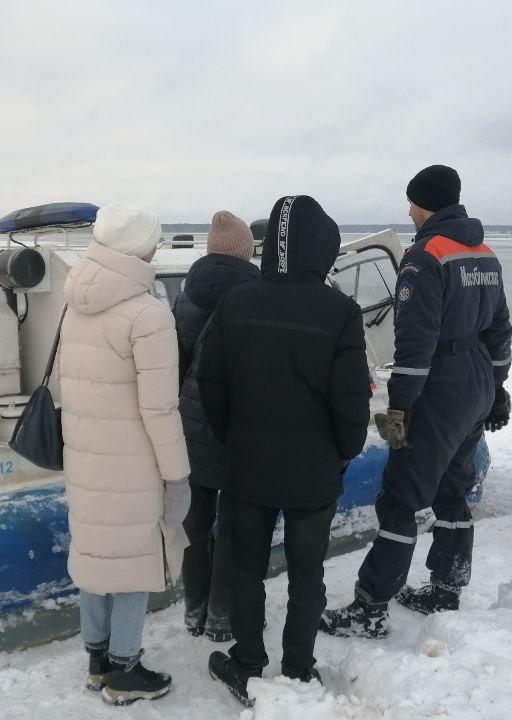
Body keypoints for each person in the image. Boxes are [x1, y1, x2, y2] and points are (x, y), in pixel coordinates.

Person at [321, 166, 512, 638]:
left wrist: (400, 405)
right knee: (452, 487)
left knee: (401, 498)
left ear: (426, 203)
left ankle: (371, 606)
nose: (409, 212)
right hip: (475, 386)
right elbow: (501, 331)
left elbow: (415, 344)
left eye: (412, 203)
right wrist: (498, 385)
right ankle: (447, 585)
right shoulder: (484, 254)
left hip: (440, 390)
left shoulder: (425, 256)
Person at [197, 195, 372, 706]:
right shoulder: (340, 311)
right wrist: (346, 449)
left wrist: (233, 436)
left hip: (248, 466)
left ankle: (248, 660)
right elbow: (350, 397)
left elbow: (212, 382)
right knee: (307, 571)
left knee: (246, 568)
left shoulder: (237, 302)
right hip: (313, 473)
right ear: (322, 248)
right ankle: (298, 667)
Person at [59, 201, 192, 705]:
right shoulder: (148, 314)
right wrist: (177, 476)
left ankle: (96, 661)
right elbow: (160, 410)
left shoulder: (75, 301)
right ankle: (124, 671)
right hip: (132, 466)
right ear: (139, 246)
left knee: (95, 555)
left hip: (87, 458)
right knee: (135, 559)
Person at [174, 211, 260, 641]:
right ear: (246, 251)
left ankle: (195, 609)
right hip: (238, 424)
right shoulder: (257, 295)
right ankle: (223, 616)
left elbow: (178, 363)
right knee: (233, 526)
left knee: (196, 523)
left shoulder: (185, 294)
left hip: (192, 423)